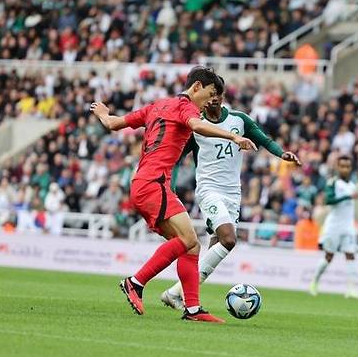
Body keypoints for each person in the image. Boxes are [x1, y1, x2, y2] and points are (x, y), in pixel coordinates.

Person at [90, 66, 256, 323]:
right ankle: (136, 282)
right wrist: (233, 136)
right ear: (197, 87)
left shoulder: (156, 106)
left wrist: (103, 113)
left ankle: (192, 309)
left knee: (191, 244)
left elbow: (113, 124)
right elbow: (197, 126)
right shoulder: (185, 107)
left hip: (143, 183)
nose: (211, 101)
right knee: (188, 238)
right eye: (210, 94)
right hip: (155, 183)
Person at [160, 87, 301, 310]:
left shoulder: (239, 120)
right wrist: (172, 186)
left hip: (232, 193)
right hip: (209, 190)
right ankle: (181, 296)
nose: (212, 100)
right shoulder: (195, 125)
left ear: (222, 98)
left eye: (216, 96)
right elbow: (176, 158)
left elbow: (264, 139)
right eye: (209, 96)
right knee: (229, 239)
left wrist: (282, 153)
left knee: (218, 246)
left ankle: (175, 293)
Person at [309, 155, 358, 299]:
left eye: (348, 166)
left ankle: (351, 289)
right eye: (342, 166)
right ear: (338, 167)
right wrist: (348, 197)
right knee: (329, 256)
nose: (345, 169)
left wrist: (350, 196)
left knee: (350, 255)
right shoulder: (333, 182)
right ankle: (314, 282)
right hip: (333, 226)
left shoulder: (352, 185)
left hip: (348, 226)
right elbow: (328, 200)